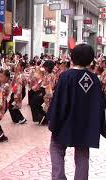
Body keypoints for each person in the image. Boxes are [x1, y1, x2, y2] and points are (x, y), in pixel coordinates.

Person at [47, 44, 105, 180]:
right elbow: (99, 105)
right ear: (91, 60)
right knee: (83, 154)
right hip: (86, 126)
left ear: (72, 58)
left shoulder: (66, 76)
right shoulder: (95, 79)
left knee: (56, 148)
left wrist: (53, 121)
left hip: (66, 123)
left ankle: (59, 177)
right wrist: (98, 126)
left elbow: (59, 102)